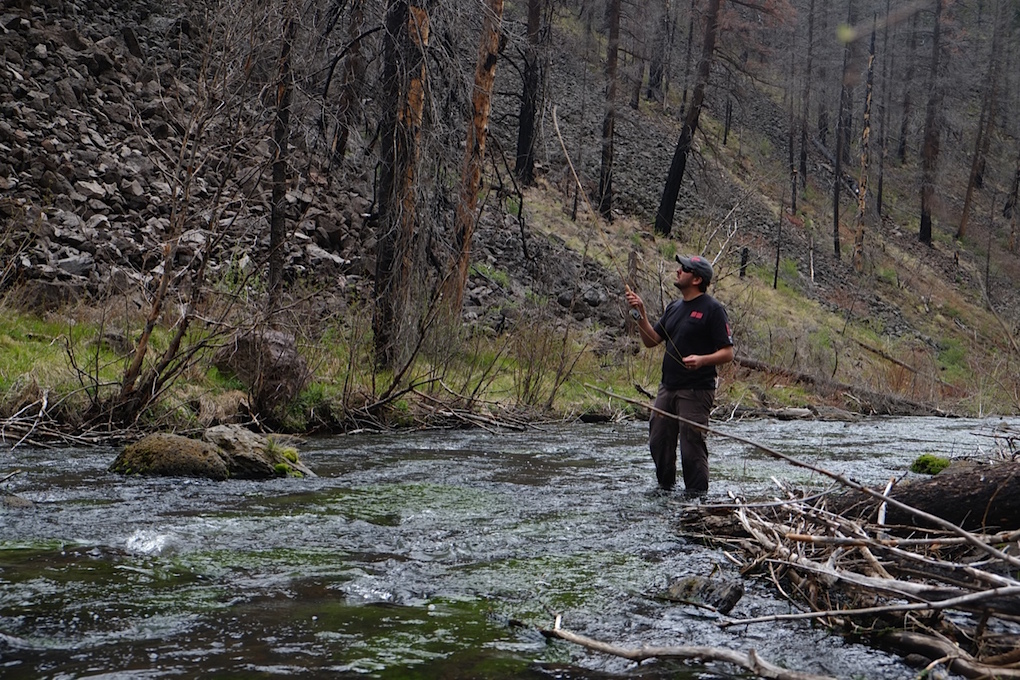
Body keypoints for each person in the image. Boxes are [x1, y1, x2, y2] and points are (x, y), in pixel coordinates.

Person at [625, 254, 734, 495]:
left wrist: (702, 360)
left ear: (696, 279)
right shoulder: (674, 307)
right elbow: (651, 340)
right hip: (668, 387)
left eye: (683, 269)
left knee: (691, 447)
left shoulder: (713, 309)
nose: (678, 271)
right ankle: (665, 492)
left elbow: (728, 353)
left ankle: (696, 499)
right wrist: (640, 312)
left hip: (696, 390)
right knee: (659, 440)